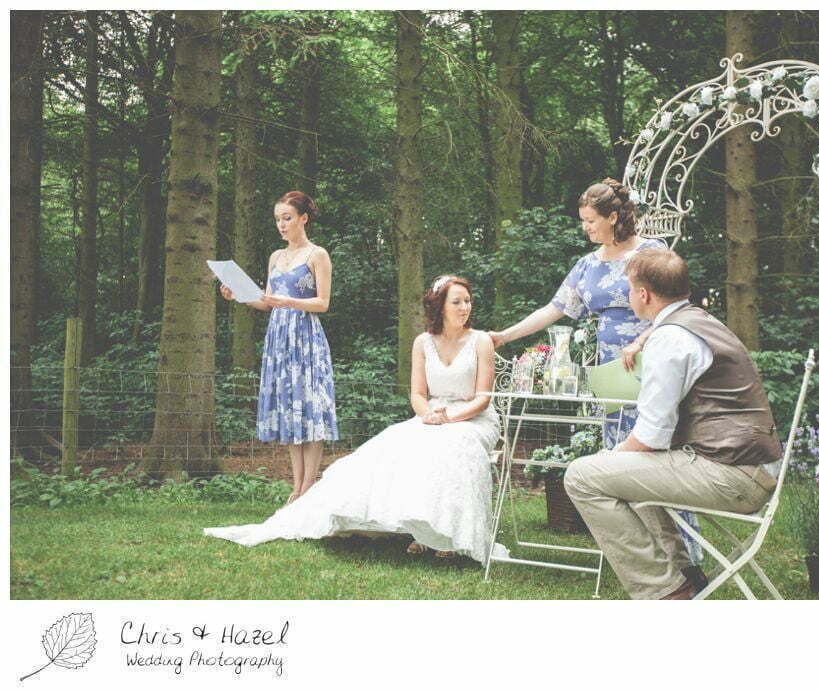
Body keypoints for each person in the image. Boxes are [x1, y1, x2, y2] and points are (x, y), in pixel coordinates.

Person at [485, 179, 703, 576]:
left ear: (614, 217)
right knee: (620, 460)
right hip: (610, 372)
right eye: (583, 220)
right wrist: (506, 335)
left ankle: (684, 556)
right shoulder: (587, 266)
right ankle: (643, 559)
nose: (585, 228)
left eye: (590, 220)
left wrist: (642, 339)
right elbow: (554, 309)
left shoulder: (652, 254)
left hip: (654, 362)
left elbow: (680, 309)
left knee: (657, 455)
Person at [206, 275, 508, 562]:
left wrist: (451, 419)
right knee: (394, 441)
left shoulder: (481, 341)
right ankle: (421, 529)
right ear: (440, 305)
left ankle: (448, 535)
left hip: (473, 418)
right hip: (431, 415)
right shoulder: (423, 342)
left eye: (467, 301)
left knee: (451, 446)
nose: (465, 308)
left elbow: (483, 399)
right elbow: (417, 394)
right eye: (457, 302)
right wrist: (428, 415)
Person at [562, 249, 782, 600]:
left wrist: (612, 455)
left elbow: (651, 435)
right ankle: (684, 574)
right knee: (625, 473)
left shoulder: (671, 338)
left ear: (644, 294)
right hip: (748, 466)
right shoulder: (695, 321)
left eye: (630, 289)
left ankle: (664, 593)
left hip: (732, 475)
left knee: (583, 476)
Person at [219, 191, 339, 505]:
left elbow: (323, 303)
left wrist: (289, 302)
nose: (281, 225)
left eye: (287, 218)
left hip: (306, 337)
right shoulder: (276, 257)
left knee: (309, 408)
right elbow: (265, 302)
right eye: (277, 219)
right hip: (279, 339)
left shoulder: (317, 255)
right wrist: (238, 295)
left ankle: (309, 488)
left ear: (303, 218)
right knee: (289, 408)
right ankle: (296, 488)